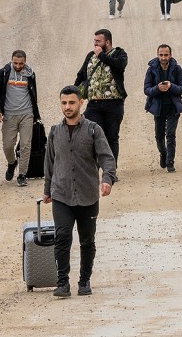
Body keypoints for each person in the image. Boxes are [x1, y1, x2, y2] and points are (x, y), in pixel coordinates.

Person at [43, 85, 117, 297]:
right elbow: (49, 162)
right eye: (64, 103)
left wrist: (107, 179)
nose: (67, 107)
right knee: (63, 236)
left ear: (81, 103)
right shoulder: (55, 131)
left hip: (87, 195)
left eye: (72, 102)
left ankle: (84, 281)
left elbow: (106, 157)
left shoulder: (94, 130)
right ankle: (62, 282)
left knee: (87, 240)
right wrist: (47, 189)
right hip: (61, 194)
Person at [73, 29, 128, 167]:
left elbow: (119, 66)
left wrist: (102, 56)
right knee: (93, 136)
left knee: (112, 138)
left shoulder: (119, 54)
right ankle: (94, 170)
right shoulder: (91, 56)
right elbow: (81, 76)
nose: (95, 43)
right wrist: (73, 92)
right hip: (94, 105)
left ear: (107, 42)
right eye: (95, 40)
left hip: (114, 104)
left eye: (99, 41)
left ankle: (110, 170)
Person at [0, 49, 41, 187]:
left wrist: (36, 115)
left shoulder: (30, 74)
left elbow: (33, 94)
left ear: (25, 62)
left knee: (26, 145)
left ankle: (22, 175)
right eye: (15, 63)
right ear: (11, 60)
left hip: (27, 114)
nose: (18, 66)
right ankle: (12, 163)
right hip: (9, 115)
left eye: (21, 63)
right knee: (7, 146)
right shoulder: (5, 72)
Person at [143, 44, 182, 172]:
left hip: (173, 106)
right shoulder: (151, 70)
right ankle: (163, 153)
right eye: (161, 55)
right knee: (159, 135)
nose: (163, 57)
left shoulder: (177, 69)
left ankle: (170, 162)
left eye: (166, 55)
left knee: (171, 134)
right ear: (157, 55)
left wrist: (171, 86)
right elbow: (146, 89)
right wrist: (157, 88)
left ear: (170, 55)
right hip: (158, 107)